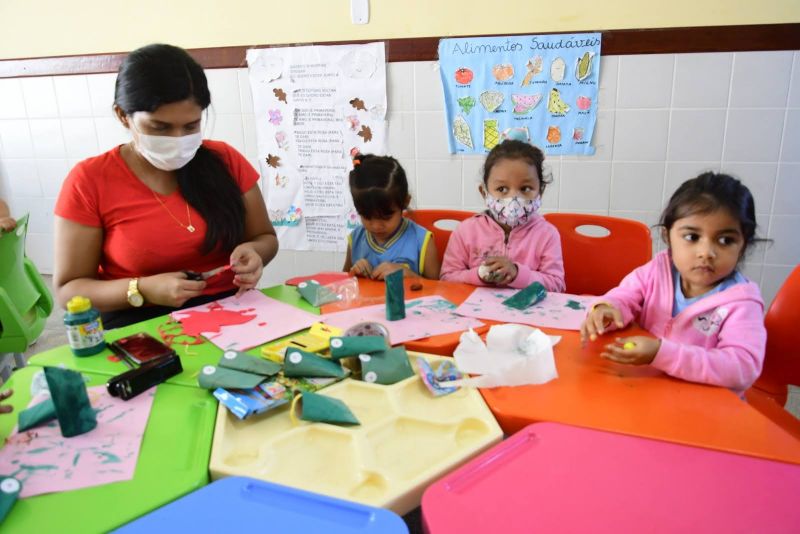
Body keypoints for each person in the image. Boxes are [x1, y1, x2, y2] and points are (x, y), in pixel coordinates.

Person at [54, 44, 278, 328]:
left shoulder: (225, 161)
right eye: (160, 128)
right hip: (137, 319)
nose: (178, 139)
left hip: (231, 311)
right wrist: (142, 290)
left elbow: (264, 237)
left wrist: (256, 254)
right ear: (123, 115)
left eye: (191, 126)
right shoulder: (89, 180)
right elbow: (68, 290)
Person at [580, 172, 767, 394]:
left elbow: (742, 368)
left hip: (706, 409)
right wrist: (607, 309)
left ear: (744, 245)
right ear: (668, 236)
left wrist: (661, 353)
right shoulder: (657, 272)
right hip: (644, 392)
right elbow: (624, 296)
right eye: (692, 237)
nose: (706, 253)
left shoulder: (742, 302)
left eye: (725, 240)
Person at [440, 140, 564, 290]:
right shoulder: (466, 231)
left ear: (540, 191)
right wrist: (478, 275)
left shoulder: (547, 234)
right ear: (484, 192)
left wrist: (518, 274)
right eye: (502, 189)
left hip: (527, 312)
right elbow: (447, 278)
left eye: (525, 188)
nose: (513, 199)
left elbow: (557, 285)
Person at [343, 154, 439, 280]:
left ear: (405, 202)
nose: (376, 226)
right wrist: (354, 273)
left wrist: (410, 275)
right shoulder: (356, 240)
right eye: (367, 216)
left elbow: (439, 290)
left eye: (386, 217)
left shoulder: (422, 241)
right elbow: (343, 283)